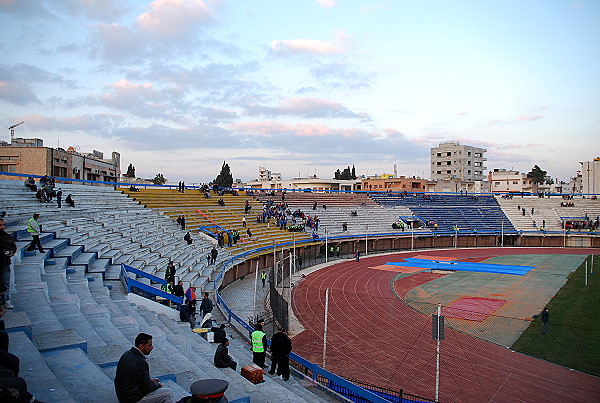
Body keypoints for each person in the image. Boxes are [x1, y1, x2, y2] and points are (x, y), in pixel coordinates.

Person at [114, 333, 173, 403]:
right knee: (168, 393)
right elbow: (148, 387)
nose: (152, 347)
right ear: (141, 346)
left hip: (123, 394)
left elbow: (136, 378)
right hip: (132, 399)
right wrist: (158, 385)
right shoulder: (139, 362)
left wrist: (150, 381)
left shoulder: (127, 354)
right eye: (149, 345)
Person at [0, 219, 16, 309]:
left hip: (5, 263)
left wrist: (11, 252)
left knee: (5, 283)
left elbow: (13, 246)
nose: (2, 227)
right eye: (0, 225)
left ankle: (5, 301)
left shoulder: (7, 236)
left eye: (3, 225)